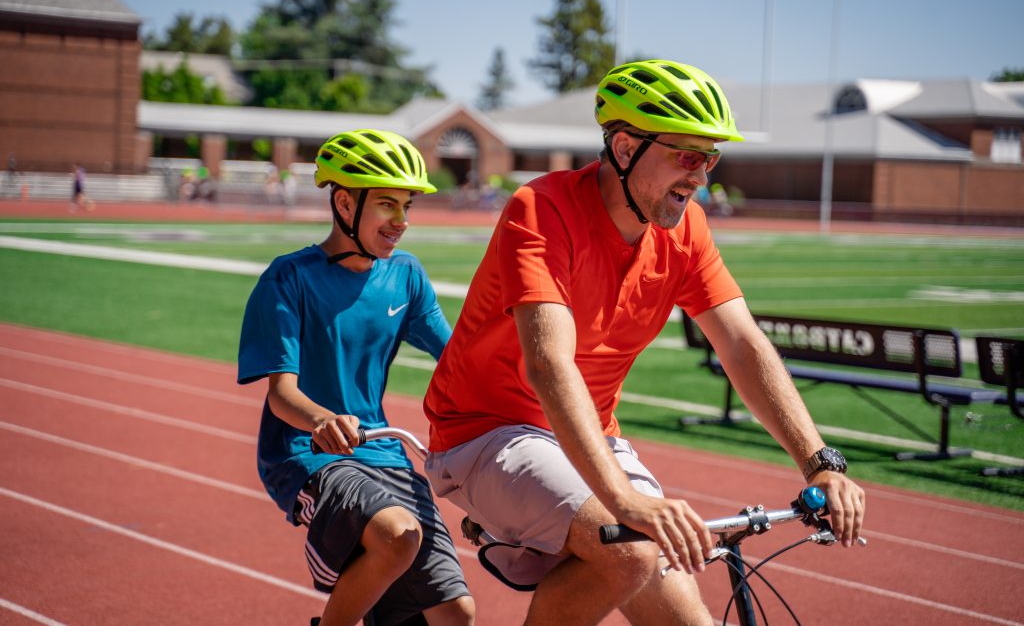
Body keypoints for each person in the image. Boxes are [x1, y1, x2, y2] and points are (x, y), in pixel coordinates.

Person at [422, 59, 866, 625]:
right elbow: (550, 364)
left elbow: (742, 345)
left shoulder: (687, 229)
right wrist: (624, 501)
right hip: (485, 432)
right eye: (687, 156)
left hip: (589, 439)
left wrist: (819, 460)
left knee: (690, 620)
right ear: (626, 147)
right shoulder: (541, 209)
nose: (701, 176)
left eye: (711, 158)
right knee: (631, 547)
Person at [238, 129, 475, 626]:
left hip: (382, 449)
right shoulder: (288, 279)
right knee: (398, 536)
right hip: (309, 453)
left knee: (456, 614)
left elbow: (460, 363)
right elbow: (282, 396)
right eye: (387, 204)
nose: (402, 221)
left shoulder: (406, 276)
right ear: (344, 202)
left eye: (407, 206)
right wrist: (324, 421)